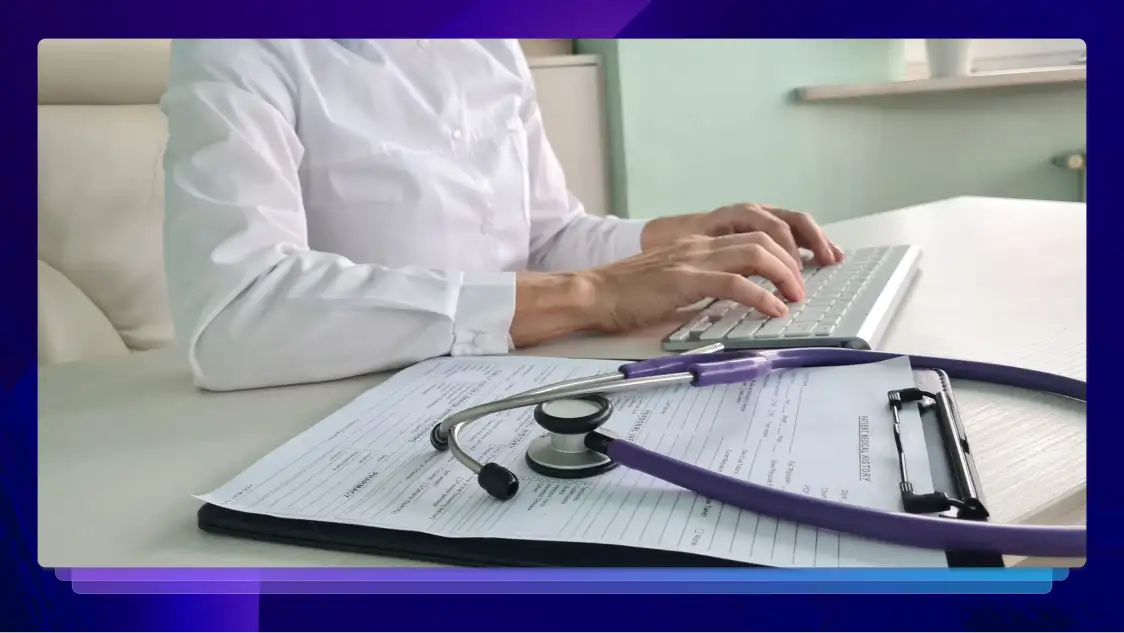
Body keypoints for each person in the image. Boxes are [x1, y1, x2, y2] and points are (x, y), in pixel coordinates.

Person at [161, 39, 845, 392]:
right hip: (343, 415)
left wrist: (678, 243)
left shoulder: (486, 42)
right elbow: (234, 315)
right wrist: (589, 295)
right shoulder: (240, 40)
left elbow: (544, 238)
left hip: (512, 380)